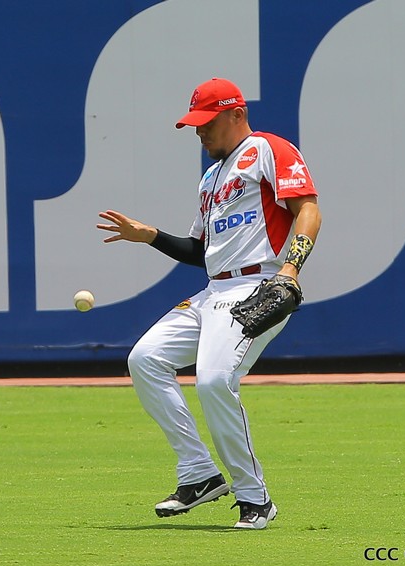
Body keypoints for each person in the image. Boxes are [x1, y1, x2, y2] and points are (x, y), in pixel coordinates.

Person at [97, 77, 322, 529]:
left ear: (236, 114)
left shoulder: (268, 150)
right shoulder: (210, 177)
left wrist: (291, 270)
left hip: (259, 284)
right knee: (145, 358)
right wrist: (152, 237)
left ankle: (255, 498)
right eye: (194, 125)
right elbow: (200, 252)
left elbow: (308, 209)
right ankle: (199, 473)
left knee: (215, 380)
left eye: (207, 123)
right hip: (214, 291)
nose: (200, 133)